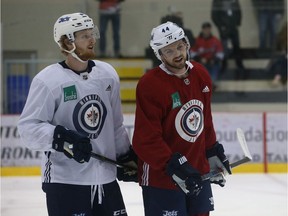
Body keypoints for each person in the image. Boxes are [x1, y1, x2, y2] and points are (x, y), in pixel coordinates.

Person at [17, 12, 137, 216]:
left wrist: (126, 155)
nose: (92, 39)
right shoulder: (48, 80)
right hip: (66, 182)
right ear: (66, 42)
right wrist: (61, 138)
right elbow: (28, 128)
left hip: (106, 180)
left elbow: (115, 125)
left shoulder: (107, 74)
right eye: (84, 36)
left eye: (92, 33)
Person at [132, 21, 231, 216]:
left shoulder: (201, 74)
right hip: (162, 179)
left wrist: (212, 151)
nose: (177, 54)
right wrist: (173, 165)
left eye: (179, 46)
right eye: (169, 51)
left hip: (197, 174)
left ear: (187, 44)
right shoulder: (150, 84)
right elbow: (145, 140)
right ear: (159, 54)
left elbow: (206, 121)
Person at [211, 0, 247, 81]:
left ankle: (239, 64)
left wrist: (238, 23)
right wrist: (220, 26)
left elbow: (239, 11)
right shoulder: (217, 1)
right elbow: (214, 15)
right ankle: (224, 65)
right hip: (224, 27)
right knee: (224, 47)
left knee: (236, 45)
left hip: (233, 26)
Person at [190, 22, 224, 90]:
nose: (207, 31)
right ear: (202, 30)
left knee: (216, 66)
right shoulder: (197, 40)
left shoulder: (215, 40)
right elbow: (192, 53)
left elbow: (220, 54)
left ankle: (211, 83)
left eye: (208, 29)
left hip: (212, 62)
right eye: (205, 29)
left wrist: (212, 60)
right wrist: (200, 59)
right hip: (200, 63)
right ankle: (203, 84)